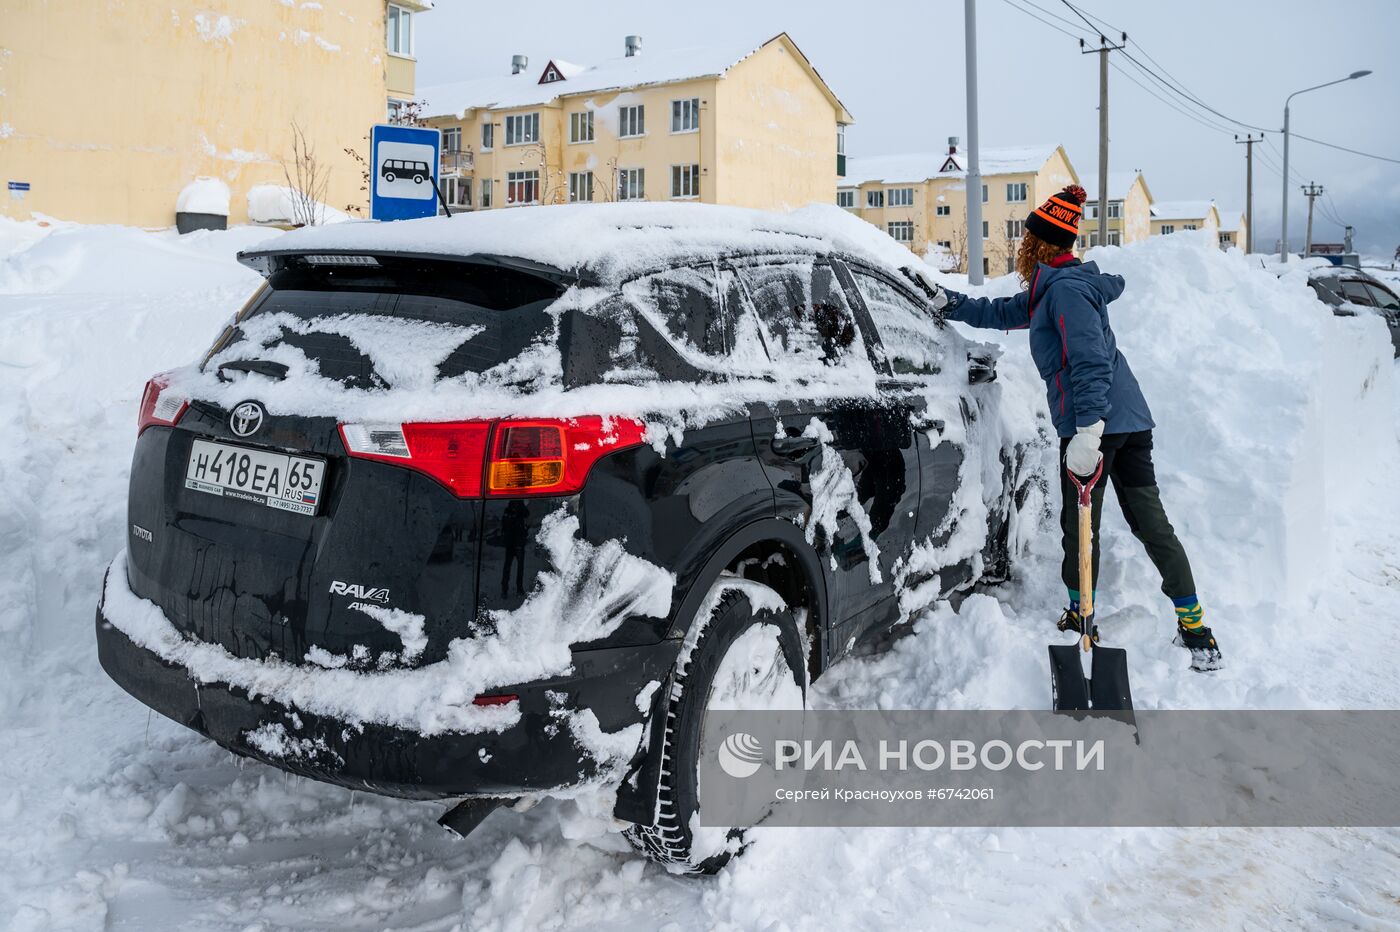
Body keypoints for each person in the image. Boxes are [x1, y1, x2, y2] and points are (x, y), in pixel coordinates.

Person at [921, 184, 1222, 672]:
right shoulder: (1053, 288)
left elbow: (1089, 362)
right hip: (1125, 418)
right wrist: (947, 300)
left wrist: (1087, 432)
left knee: (1083, 527)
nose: (1021, 246)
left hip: (1097, 421)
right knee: (1143, 523)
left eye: (1026, 239)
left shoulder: (1063, 291)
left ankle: (1087, 618)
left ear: (1038, 243)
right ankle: (1193, 627)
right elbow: (999, 312)